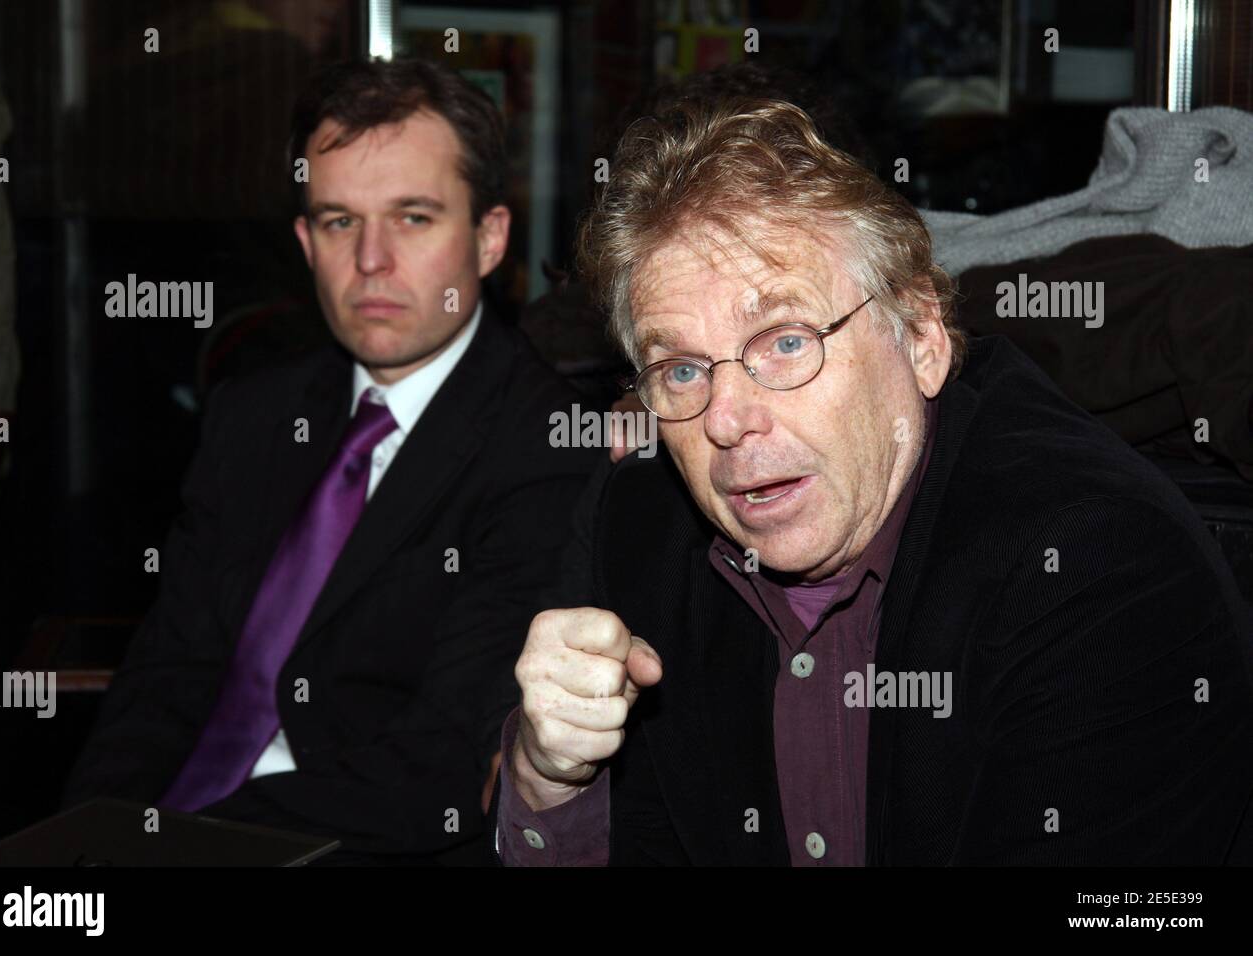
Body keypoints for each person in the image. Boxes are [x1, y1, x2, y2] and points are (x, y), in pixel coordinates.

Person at [490, 95, 1253, 865]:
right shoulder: (646, 528)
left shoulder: (1097, 565)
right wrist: (553, 781)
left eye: (785, 342)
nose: (727, 418)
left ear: (921, 337)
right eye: (681, 369)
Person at [63, 57, 601, 865]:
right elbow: (166, 675)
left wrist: (185, 850)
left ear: (489, 239)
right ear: (305, 241)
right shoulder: (253, 414)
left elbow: (445, 761)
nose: (372, 260)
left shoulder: (547, 447)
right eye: (340, 221)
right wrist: (83, 841)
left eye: (414, 218)